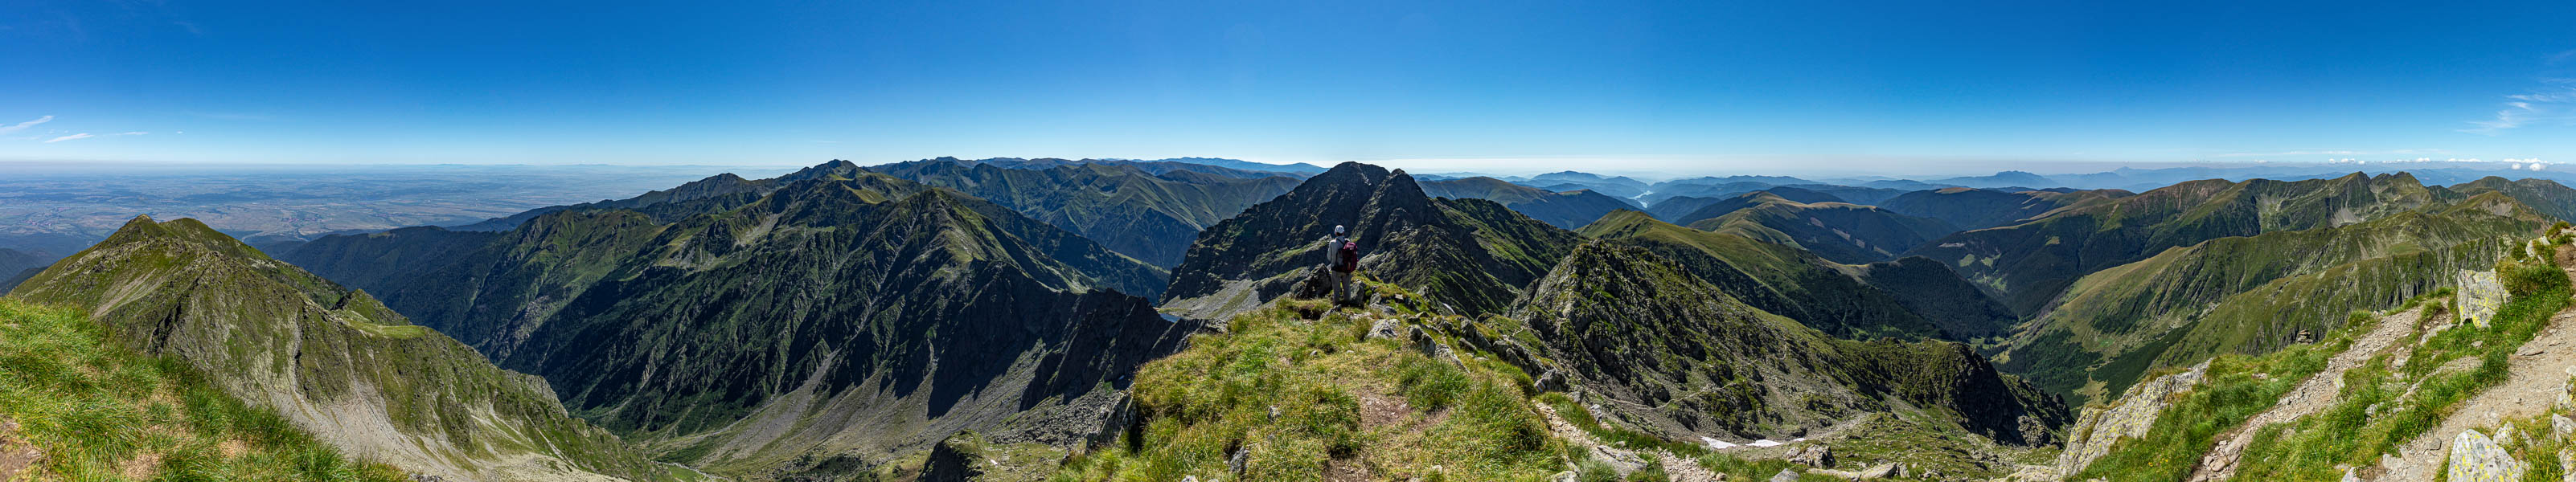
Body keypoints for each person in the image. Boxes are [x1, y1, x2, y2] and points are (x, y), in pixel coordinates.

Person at [1323, 225, 1358, 303]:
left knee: (1336, 290)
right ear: (1343, 233)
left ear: (1335, 233)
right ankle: (1348, 306)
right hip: (1346, 269)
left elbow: (1329, 257)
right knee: (1347, 289)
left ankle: (1336, 307)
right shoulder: (1348, 242)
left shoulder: (1332, 243)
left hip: (1336, 269)